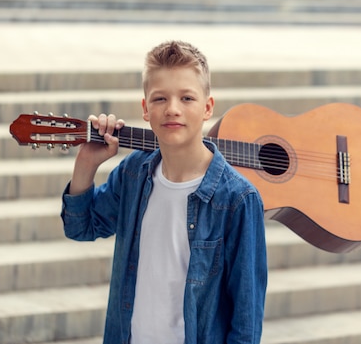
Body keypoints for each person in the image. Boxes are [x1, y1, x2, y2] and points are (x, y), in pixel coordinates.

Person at [61, 40, 268, 344]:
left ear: (207, 107)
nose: (172, 109)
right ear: (145, 109)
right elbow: (80, 227)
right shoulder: (134, 173)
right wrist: (87, 163)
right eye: (160, 99)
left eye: (187, 97)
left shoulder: (238, 200)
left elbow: (246, 322)